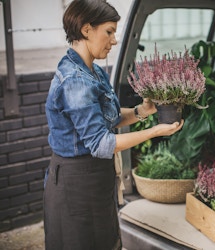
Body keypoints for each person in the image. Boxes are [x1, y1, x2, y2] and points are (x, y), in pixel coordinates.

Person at [43, 0, 184, 249]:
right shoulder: (76, 81)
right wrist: (155, 131)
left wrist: (143, 111)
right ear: (87, 29)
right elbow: (100, 143)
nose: (114, 40)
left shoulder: (92, 72)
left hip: (96, 177)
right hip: (76, 184)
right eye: (109, 31)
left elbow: (108, 119)